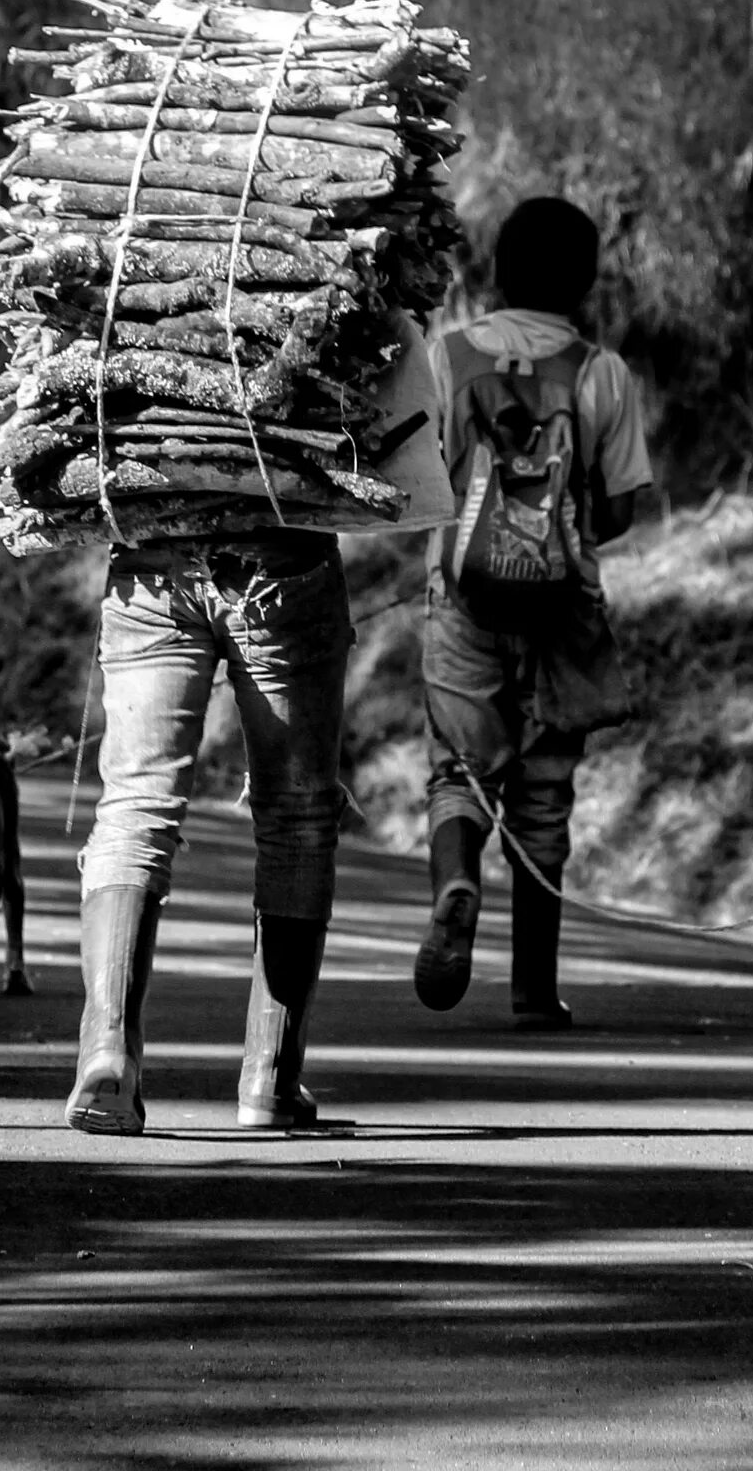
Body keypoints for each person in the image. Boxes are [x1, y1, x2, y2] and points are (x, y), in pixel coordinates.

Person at [64, 325, 452, 1138]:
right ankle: (270, 1078)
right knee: (297, 813)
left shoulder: (126, 280)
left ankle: (107, 1054)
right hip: (284, 559)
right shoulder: (333, 289)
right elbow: (407, 443)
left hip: (152, 556)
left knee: (135, 799)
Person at [414, 196, 651, 1029]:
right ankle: (532, 990)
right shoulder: (602, 373)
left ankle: (456, 883)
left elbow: (415, 485)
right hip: (563, 610)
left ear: (497, 268)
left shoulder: (444, 359)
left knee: (459, 772)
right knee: (544, 794)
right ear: (583, 280)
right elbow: (620, 511)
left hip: (460, 602)